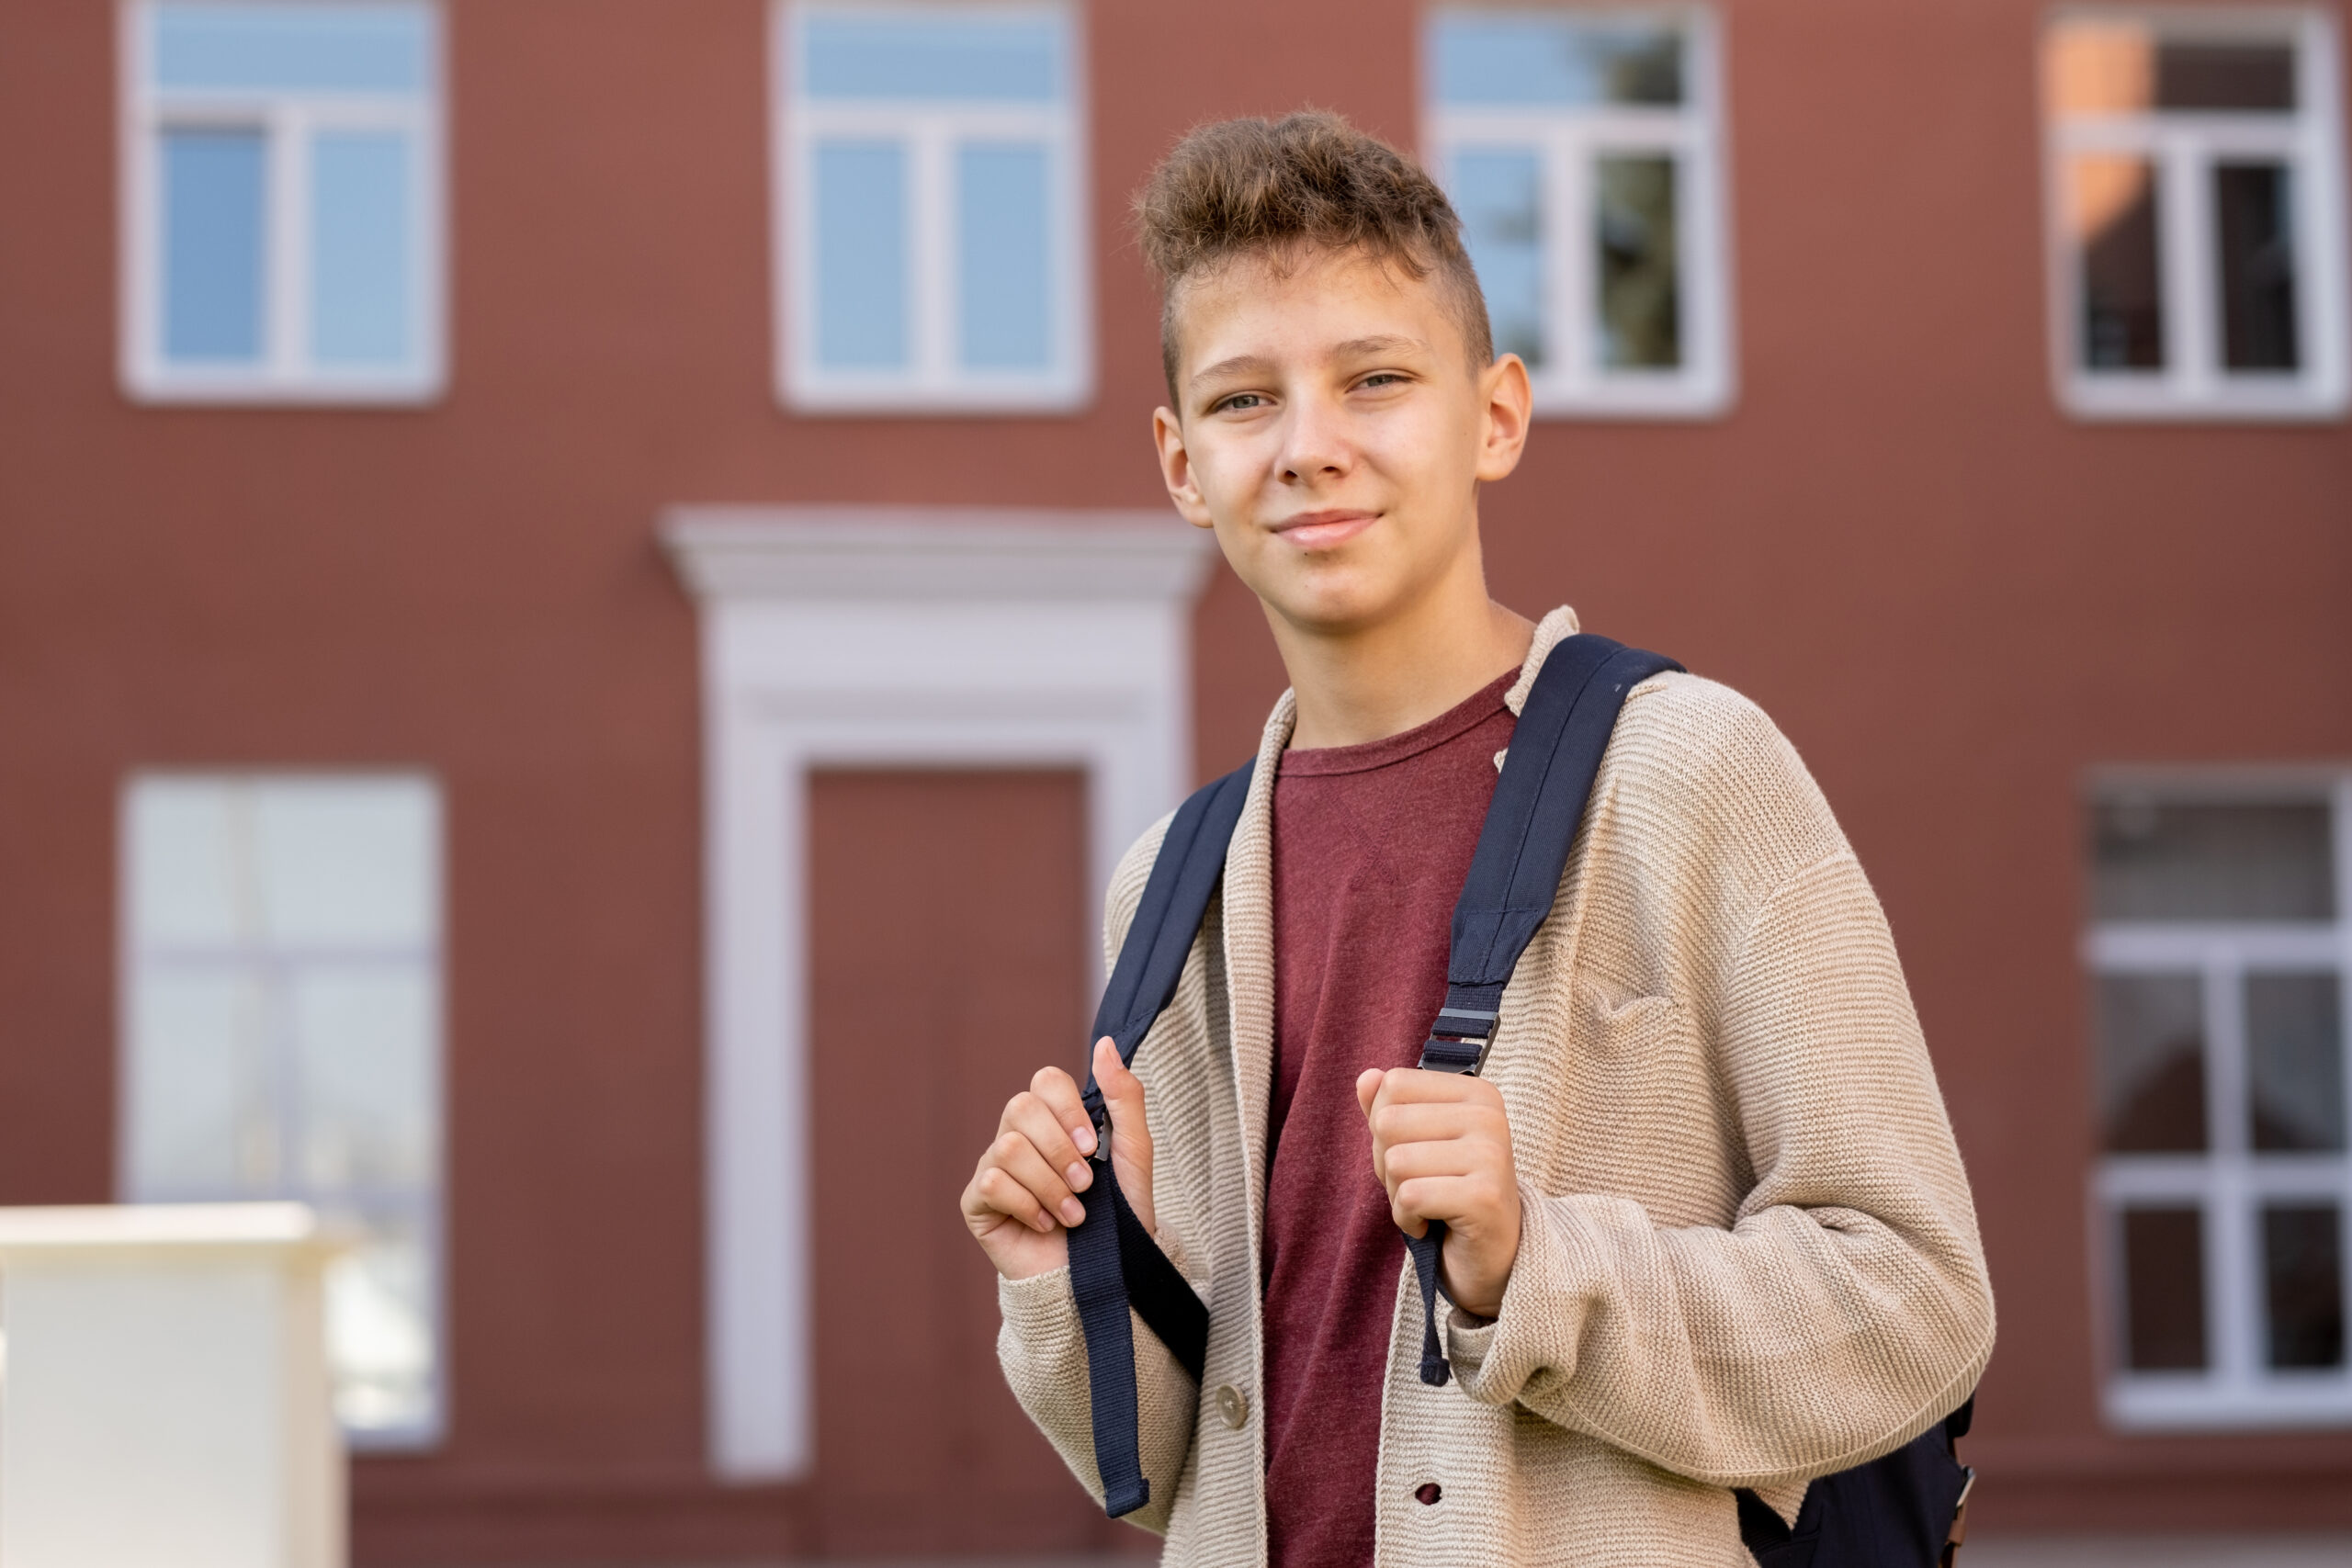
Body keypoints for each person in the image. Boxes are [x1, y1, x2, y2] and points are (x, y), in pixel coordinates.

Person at [957, 110, 1994, 1568]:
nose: (1311, 448)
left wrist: (1537, 1265)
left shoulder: (1691, 771)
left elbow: (1920, 1308)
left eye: (1374, 380)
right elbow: (1164, 1457)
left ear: (1494, 415)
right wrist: (1080, 1269)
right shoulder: (1172, 883)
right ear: (1183, 464)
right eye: (1247, 401)